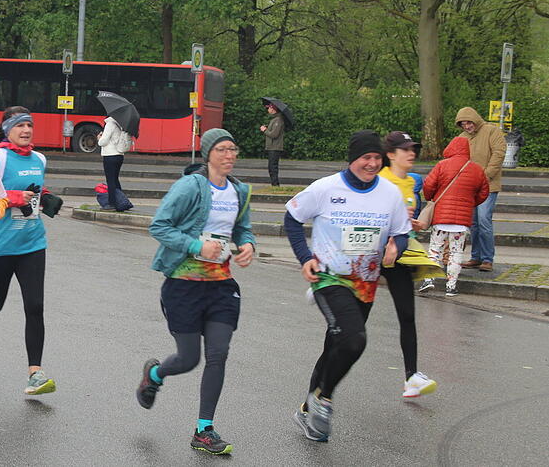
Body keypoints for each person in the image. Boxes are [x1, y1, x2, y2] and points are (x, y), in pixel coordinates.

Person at [135, 128, 255, 456]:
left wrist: (248, 245)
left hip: (221, 286)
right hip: (183, 285)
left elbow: (242, 229)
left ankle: (204, 429)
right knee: (189, 359)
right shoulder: (190, 186)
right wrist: (195, 245)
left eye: (233, 149)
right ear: (208, 154)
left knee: (218, 354)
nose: (229, 155)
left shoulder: (240, 190)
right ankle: (154, 374)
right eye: (222, 149)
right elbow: (159, 225)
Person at [284, 130, 410, 442]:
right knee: (354, 340)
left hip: (366, 283)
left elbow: (401, 233)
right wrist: (305, 258)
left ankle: (307, 411)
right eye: (366, 157)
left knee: (336, 345)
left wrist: (396, 246)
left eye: (377, 158)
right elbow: (292, 218)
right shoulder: (326, 188)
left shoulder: (390, 194)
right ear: (353, 158)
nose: (372, 164)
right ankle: (323, 399)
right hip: (329, 278)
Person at [0, 106, 64, 396]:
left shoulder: (39, 159)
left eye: (30, 125)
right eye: (20, 125)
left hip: (32, 243)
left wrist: (45, 197)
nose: (26, 130)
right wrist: (14, 198)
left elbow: (35, 189)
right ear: (7, 129)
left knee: (35, 307)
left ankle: (35, 373)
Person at [377, 131, 438, 398]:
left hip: (401, 252)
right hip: (374, 253)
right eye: (405, 149)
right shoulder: (379, 180)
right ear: (391, 154)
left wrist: (409, 224)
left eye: (414, 149)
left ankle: (411, 377)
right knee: (354, 325)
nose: (412, 153)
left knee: (407, 315)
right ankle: (322, 382)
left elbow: (401, 219)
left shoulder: (412, 181)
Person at [423, 136, 489, 296]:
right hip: (461, 222)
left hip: (441, 218)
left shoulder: (442, 165)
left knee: (435, 250)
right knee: (456, 253)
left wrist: (431, 198)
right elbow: (484, 192)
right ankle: (451, 287)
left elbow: (429, 185)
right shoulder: (476, 169)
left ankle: (429, 280)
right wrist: (470, 203)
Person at [454, 107, 505, 272]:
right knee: (473, 223)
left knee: (483, 220)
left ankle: (487, 258)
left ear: (475, 119)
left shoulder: (491, 131)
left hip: (488, 185)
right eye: (463, 124)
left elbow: (499, 154)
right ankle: (476, 257)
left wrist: (486, 175)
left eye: (469, 122)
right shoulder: (462, 137)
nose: (467, 126)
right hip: (469, 187)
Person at [97, 115, 133, 211]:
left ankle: (112, 204)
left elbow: (103, 142)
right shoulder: (121, 124)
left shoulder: (110, 124)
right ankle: (121, 202)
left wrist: (99, 138)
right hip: (119, 155)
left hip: (110, 155)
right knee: (115, 180)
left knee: (111, 181)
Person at [260, 101, 285, 186]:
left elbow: (274, 134)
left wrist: (265, 130)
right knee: (271, 167)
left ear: (273, 109)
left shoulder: (278, 120)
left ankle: (275, 185)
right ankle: (274, 184)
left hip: (275, 147)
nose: (268, 109)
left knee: (273, 167)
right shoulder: (274, 119)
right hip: (272, 147)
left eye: (269, 108)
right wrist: (267, 129)